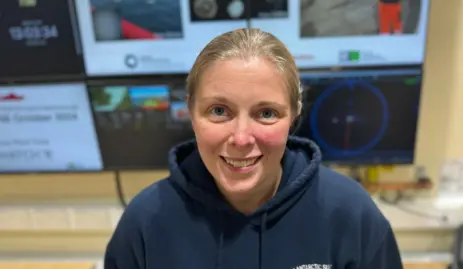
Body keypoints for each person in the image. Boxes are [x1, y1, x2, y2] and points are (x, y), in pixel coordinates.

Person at [104, 28, 403, 269]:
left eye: (267, 113)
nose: (242, 138)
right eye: (219, 111)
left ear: (294, 116)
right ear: (191, 114)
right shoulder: (144, 223)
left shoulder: (351, 215)